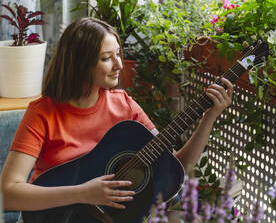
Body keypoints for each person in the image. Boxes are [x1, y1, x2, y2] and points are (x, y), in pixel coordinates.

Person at [0, 17, 233, 222]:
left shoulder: (124, 105)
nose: (119, 65)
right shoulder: (41, 113)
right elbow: (8, 194)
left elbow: (176, 166)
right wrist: (83, 193)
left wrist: (208, 117)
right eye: (106, 58)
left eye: (119, 54)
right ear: (80, 64)